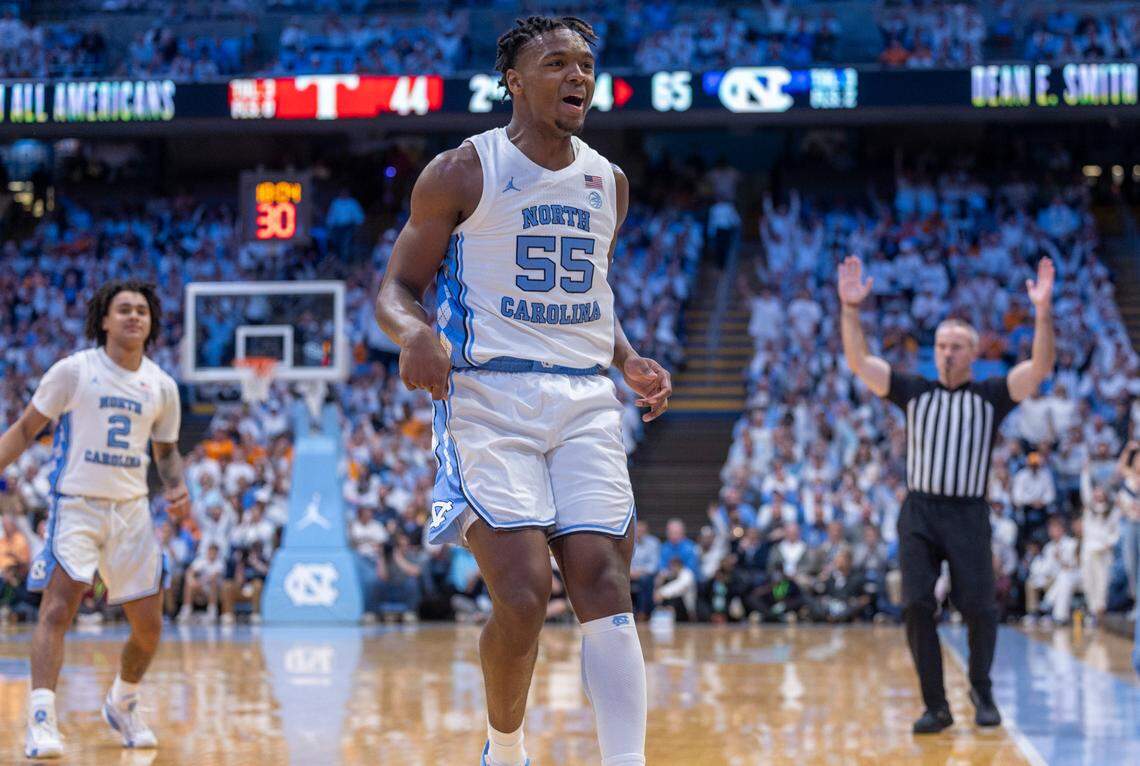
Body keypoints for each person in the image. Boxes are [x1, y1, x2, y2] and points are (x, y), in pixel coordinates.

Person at [375, 16, 670, 766]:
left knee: (604, 581)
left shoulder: (609, 181)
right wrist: (415, 334)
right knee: (524, 594)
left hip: (584, 399)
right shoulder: (461, 171)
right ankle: (505, 746)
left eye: (586, 64)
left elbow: (590, 296)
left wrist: (628, 357)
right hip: (487, 398)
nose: (578, 76)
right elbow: (397, 289)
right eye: (557, 63)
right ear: (513, 79)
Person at [838, 255, 1054, 733]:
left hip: (968, 513)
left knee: (979, 607)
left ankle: (981, 687)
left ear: (973, 353)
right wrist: (850, 309)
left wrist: (1041, 311)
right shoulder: (914, 390)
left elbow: (1040, 366)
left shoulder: (991, 395)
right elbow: (859, 362)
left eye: (956, 346)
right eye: (940, 345)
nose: (947, 353)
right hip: (920, 511)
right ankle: (935, 704)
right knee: (915, 604)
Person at [0, 280, 188, 758]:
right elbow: (24, 429)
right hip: (77, 505)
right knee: (57, 609)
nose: (134, 316)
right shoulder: (74, 371)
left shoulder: (162, 386)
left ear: (151, 322)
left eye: (142, 310)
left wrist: (175, 485)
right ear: (104, 320)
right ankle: (41, 720)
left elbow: (166, 452)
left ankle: (122, 702)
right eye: (123, 309)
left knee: (149, 626)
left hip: (132, 512)